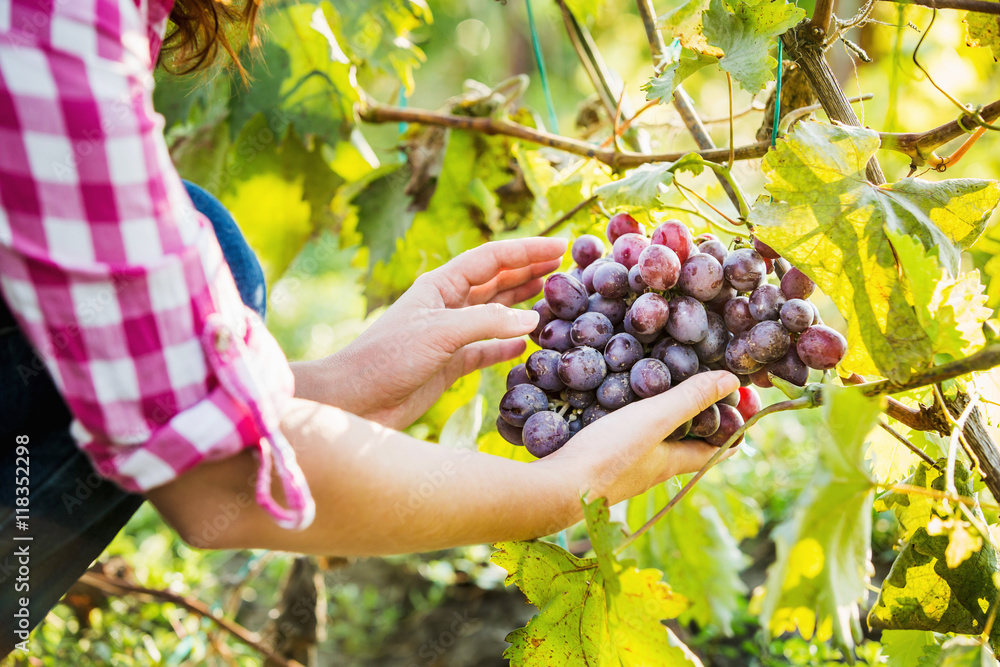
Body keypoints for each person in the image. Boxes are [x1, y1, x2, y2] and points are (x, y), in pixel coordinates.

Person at [0, 0, 740, 654]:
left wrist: (336, 386)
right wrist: (560, 486)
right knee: (217, 248)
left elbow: (141, 362)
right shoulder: (56, 25)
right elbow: (215, 482)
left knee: (211, 249)